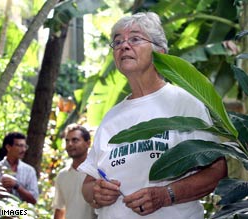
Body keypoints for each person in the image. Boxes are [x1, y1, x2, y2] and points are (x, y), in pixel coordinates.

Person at [78, 12, 227, 219]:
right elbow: (88, 184)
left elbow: (217, 171)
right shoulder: (111, 117)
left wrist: (166, 195)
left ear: (160, 52)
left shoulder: (185, 103)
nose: (124, 45)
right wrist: (96, 192)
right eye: (117, 41)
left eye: (135, 39)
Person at [53, 124, 97, 219]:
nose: (70, 144)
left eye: (75, 140)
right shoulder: (62, 176)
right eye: (67, 141)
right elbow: (60, 209)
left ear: (88, 143)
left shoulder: (97, 172)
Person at [0, 132, 39, 204]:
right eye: (20, 146)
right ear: (8, 147)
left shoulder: (29, 171)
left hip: (20, 213)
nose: (23, 150)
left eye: (25, 146)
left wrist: (16, 186)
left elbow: (34, 200)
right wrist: (0, 190)